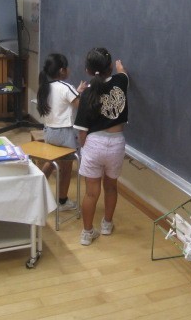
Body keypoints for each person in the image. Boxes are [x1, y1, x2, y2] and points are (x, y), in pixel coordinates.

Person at [73, 47, 129, 246]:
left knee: (91, 193)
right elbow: (123, 73)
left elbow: (82, 132)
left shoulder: (87, 94)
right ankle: (107, 224)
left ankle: (87, 233)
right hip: (116, 144)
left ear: (87, 70)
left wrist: (84, 147)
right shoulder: (121, 82)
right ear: (110, 67)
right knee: (111, 187)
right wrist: (120, 67)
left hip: (93, 144)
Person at [36, 53, 86, 211]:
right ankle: (62, 201)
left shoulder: (45, 87)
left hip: (49, 132)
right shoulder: (66, 87)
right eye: (67, 67)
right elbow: (81, 106)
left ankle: (35, 191)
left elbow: (63, 101)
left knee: (51, 161)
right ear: (62, 70)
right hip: (65, 134)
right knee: (66, 168)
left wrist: (77, 92)